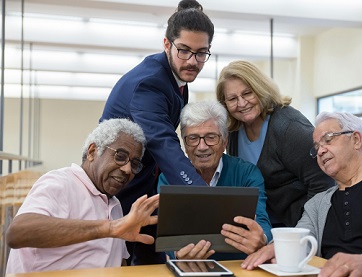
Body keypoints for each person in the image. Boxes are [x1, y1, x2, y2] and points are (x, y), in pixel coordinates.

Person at [99, 0, 214, 265]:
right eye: (184, 51)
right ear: (167, 45)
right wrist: (205, 198)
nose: (192, 61)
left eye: (201, 53)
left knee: (155, 260)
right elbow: (163, 143)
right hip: (117, 190)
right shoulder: (150, 83)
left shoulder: (176, 77)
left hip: (143, 188)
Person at [241, 112, 362, 277]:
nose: (320, 151)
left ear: (355, 139)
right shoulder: (317, 203)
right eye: (316, 147)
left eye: (328, 139)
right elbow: (302, 238)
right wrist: (273, 247)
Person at [5, 118, 160, 274]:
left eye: (134, 164)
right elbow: (17, 233)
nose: (127, 169)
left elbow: (119, 264)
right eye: (120, 156)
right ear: (92, 152)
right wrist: (110, 228)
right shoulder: (61, 183)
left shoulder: (114, 205)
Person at [216, 60, 335, 228]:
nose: (241, 103)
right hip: (263, 226)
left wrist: (303, 229)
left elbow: (324, 183)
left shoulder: (290, 128)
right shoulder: (234, 130)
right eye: (232, 99)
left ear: (260, 89)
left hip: (297, 227)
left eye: (248, 93)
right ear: (225, 104)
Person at [158, 100, 272, 261]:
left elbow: (262, 222)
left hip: (239, 266)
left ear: (225, 141)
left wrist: (262, 239)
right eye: (193, 138)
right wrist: (175, 253)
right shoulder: (169, 177)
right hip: (189, 269)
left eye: (211, 137)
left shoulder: (247, 173)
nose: (202, 146)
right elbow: (164, 233)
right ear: (184, 143)